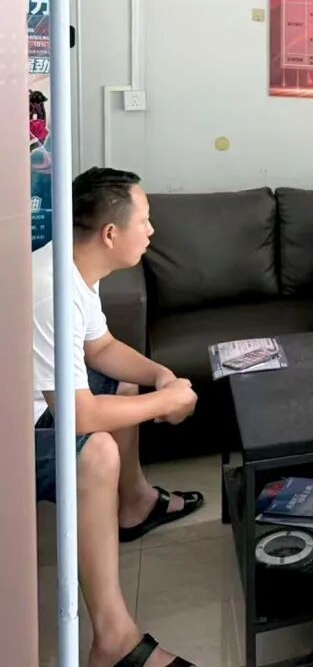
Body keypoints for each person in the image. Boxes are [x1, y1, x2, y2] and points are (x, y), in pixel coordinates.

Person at [34, 167, 203, 667]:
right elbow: (80, 414)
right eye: (145, 220)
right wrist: (166, 402)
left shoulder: (77, 271)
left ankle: (135, 503)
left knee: (125, 383)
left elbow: (102, 348)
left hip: (40, 407)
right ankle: (113, 640)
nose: (152, 230)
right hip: (18, 431)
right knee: (97, 449)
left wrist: (160, 375)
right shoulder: (51, 289)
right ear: (111, 233)